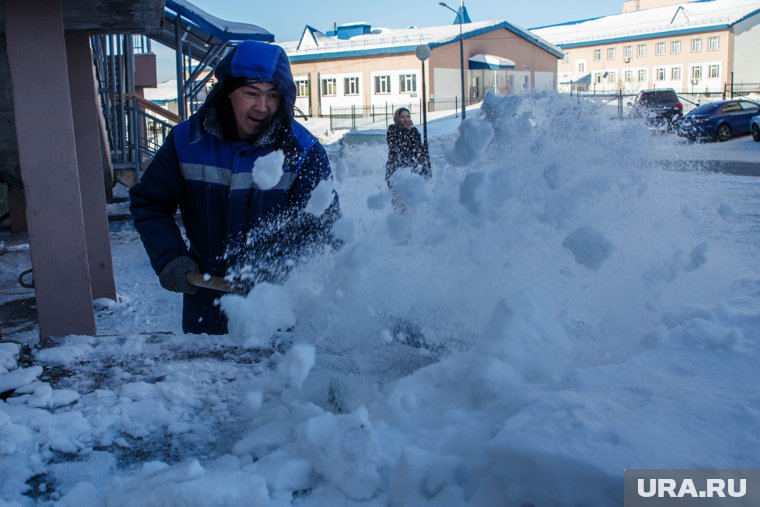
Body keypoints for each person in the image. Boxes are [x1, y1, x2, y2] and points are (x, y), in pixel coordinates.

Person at [129, 41, 340, 335]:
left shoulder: (302, 152)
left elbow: (324, 228)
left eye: (273, 95)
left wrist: (288, 275)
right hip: (205, 309)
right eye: (251, 93)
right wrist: (170, 257)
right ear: (227, 92)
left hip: (275, 316)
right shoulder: (186, 143)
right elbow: (149, 203)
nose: (263, 107)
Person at [385, 107, 431, 183]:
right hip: (395, 167)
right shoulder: (392, 129)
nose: (406, 119)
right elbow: (395, 146)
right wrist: (407, 130)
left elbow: (416, 148)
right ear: (397, 118)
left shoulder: (414, 131)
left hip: (411, 168)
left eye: (408, 116)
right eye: (402, 117)